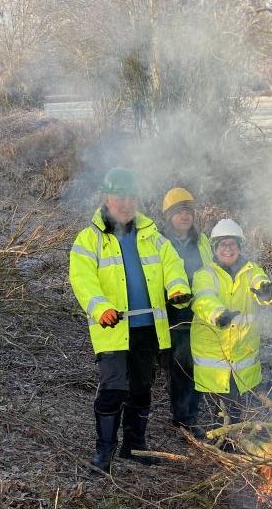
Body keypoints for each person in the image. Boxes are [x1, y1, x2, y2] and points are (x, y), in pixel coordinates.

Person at [69, 168, 193, 473]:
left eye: (130, 197)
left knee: (141, 388)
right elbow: (82, 280)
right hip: (112, 328)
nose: (125, 203)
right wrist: (100, 309)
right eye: (118, 197)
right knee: (113, 388)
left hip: (148, 328)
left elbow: (173, 265)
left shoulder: (153, 236)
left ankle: (134, 447)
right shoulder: (89, 240)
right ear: (106, 199)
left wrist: (178, 288)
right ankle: (104, 453)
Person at [191, 219, 272, 429]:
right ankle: (220, 451)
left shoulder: (252, 271)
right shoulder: (205, 274)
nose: (228, 249)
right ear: (214, 248)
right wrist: (218, 314)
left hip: (242, 356)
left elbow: (259, 283)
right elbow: (203, 299)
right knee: (218, 415)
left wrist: (265, 291)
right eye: (223, 245)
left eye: (232, 244)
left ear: (240, 247)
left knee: (237, 413)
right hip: (214, 359)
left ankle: (234, 447)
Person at [158, 187, 213, 438]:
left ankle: (190, 414)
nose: (185, 216)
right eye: (179, 212)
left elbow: (212, 273)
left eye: (188, 211)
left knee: (196, 364)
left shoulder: (202, 241)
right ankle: (184, 419)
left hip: (199, 313)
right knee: (179, 366)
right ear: (169, 216)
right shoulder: (160, 242)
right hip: (171, 315)